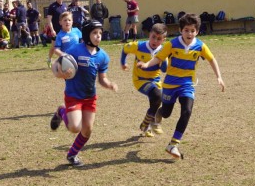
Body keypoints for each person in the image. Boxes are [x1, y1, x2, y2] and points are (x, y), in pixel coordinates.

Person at [137, 13, 225, 159]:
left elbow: (211, 59)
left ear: (197, 31)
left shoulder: (200, 46)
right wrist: (147, 64)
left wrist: (219, 77)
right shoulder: (172, 44)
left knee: (187, 111)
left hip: (187, 84)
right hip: (170, 85)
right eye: (186, 30)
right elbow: (158, 58)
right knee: (166, 112)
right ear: (180, 30)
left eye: (192, 30)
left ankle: (173, 145)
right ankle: (156, 116)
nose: (189, 33)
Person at [50, 20, 118, 166]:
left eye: (100, 33)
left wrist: (109, 84)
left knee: (87, 130)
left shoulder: (103, 56)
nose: (98, 36)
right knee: (75, 127)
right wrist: (61, 74)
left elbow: (102, 79)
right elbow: (56, 66)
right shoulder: (75, 50)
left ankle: (72, 155)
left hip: (89, 97)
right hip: (73, 95)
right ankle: (61, 111)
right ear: (87, 34)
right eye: (94, 33)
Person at [121, 23, 168, 137]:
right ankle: (153, 122)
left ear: (163, 40)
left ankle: (145, 125)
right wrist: (123, 62)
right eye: (153, 37)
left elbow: (164, 70)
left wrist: (164, 61)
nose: (155, 41)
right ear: (149, 35)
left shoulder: (164, 51)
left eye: (159, 39)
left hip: (155, 80)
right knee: (157, 95)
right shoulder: (139, 46)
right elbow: (125, 49)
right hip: (140, 80)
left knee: (157, 101)